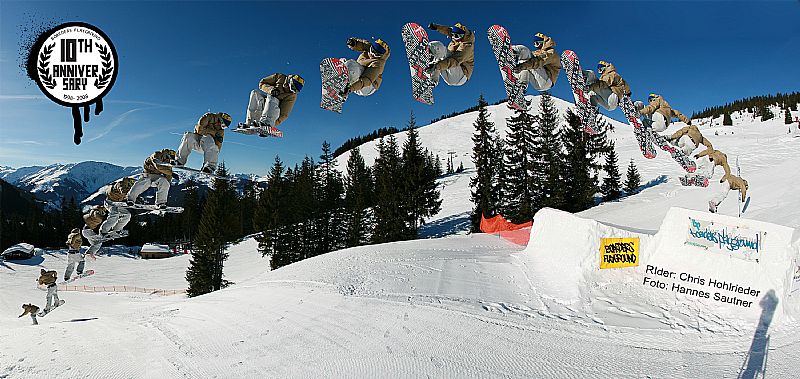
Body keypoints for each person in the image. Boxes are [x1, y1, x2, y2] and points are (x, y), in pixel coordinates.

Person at [427, 22, 475, 86]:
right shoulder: (456, 36)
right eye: (453, 35)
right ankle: (433, 81)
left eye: (457, 36)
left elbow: (455, 61)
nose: (455, 37)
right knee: (439, 62)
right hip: (451, 78)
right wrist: (436, 27)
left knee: (439, 48)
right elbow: (448, 30)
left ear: (463, 35)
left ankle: (430, 55)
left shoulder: (467, 47)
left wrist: (437, 65)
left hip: (461, 75)